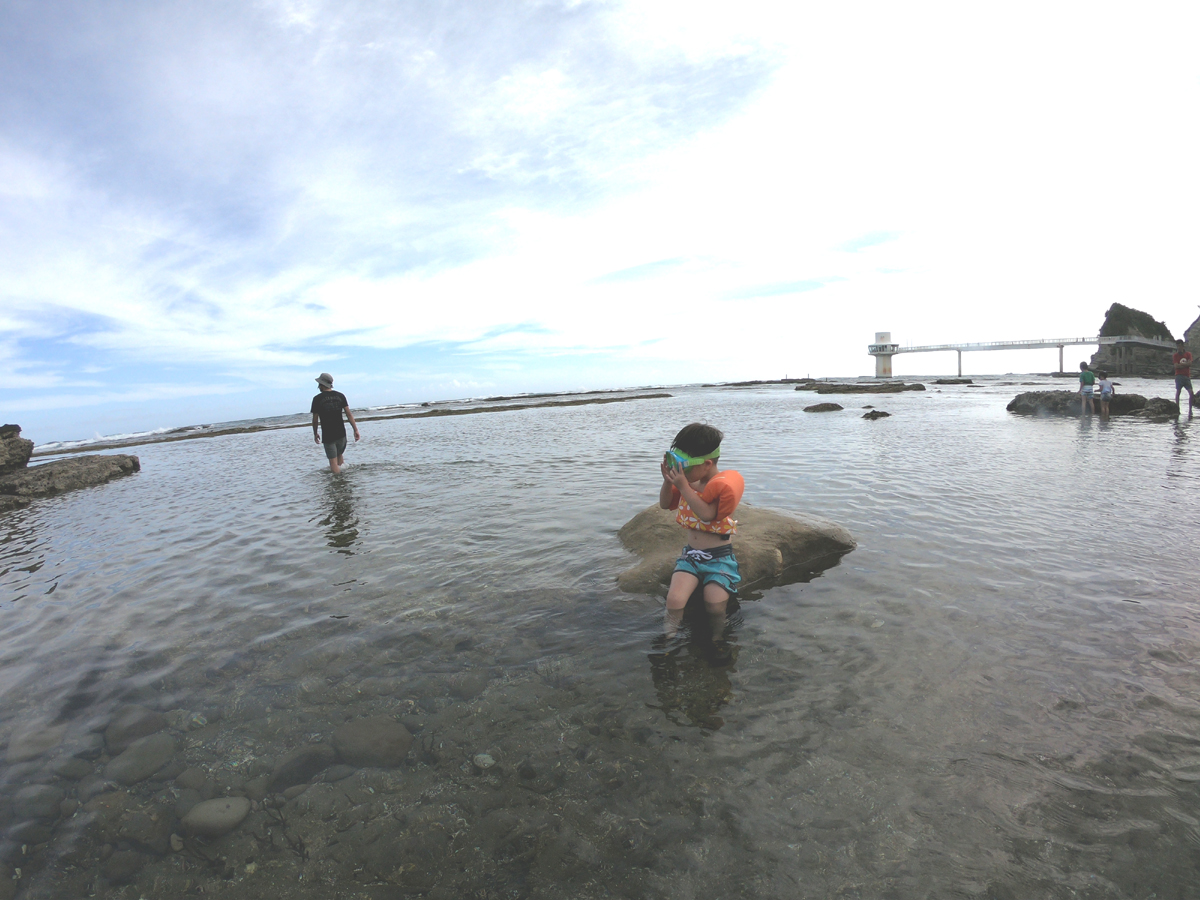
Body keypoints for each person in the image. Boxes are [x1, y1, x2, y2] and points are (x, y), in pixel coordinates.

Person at [658, 423, 744, 649]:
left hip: (719, 559)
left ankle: (717, 639)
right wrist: (669, 482)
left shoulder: (720, 487)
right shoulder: (686, 482)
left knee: (714, 603)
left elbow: (707, 515)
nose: (680, 472)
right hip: (691, 557)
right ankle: (669, 637)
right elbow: (665, 504)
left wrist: (684, 486)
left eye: (683, 466)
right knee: (675, 600)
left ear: (706, 464)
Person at [311, 373, 360, 474]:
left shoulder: (317, 399)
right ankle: (344, 480)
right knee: (340, 457)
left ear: (321, 384)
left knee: (333, 463)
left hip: (329, 435)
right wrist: (355, 429)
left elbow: (315, 420)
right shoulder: (340, 396)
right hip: (341, 433)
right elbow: (349, 414)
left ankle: (338, 484)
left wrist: (315, 433)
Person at [1173, 339, 1195, 412]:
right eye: (1177, 346)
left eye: (1180, 346)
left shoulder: (1188, 354)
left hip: (1186, 376)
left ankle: (1190, 410)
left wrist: (1181, 365)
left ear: (1183, 346)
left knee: (1191, 393)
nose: (1178, 348)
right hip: (1179, 376)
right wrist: (1185, 365)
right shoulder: (1175, 355)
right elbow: (1176, 366)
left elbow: (1190, 364)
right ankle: (1177, 408)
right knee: (1178, 392)